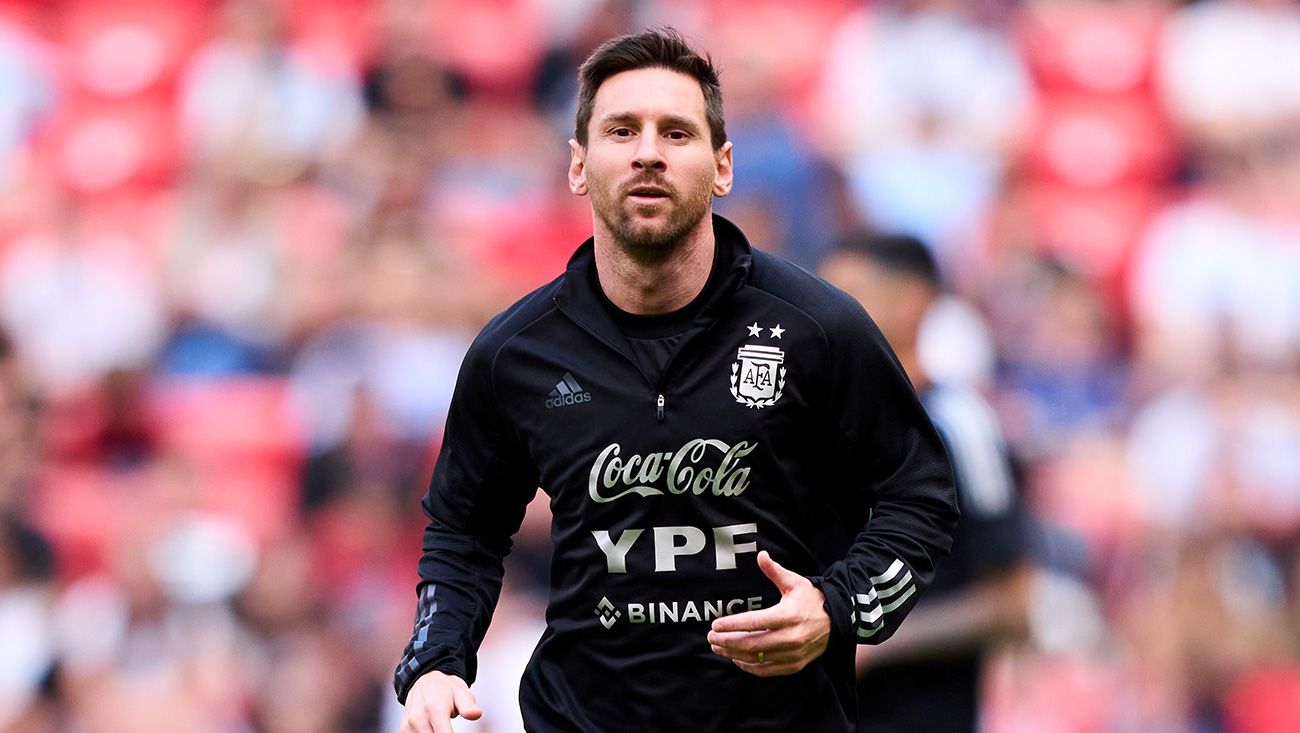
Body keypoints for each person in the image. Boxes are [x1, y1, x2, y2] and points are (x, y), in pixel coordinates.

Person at [394, 29, 959, 733]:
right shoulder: (516, 353)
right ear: (578, 165)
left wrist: (836, 604)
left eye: (677, 132)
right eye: (621, 130)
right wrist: (438, 658)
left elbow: (921, 497)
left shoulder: (819, 329)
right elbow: (464, 530)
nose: (648, 152)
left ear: (722, 166)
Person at [819, 233, 1031, 733]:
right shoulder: (810, 424)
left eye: (846, 292)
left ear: (914, 303)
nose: (821, 309)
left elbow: (1011, 606)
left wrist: (875, 642)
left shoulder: (961, 426)